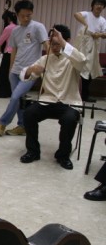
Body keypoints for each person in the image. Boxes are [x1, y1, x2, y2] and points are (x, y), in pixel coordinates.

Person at [18, 25, 86, 170]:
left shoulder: (72, 58)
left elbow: (82, 60)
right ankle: (33, 151)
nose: (54, 47)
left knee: (69, 119)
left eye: (57, 44)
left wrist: (62, 42)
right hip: (47, 100)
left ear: (66, 41)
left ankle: (63, 155)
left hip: (69, 101)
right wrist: (31, 70)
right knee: (29, 113)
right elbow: (24, 75)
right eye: (52, 44)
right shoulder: (45, 59)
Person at [0, 0, 49, 137]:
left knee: (15, 97)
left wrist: (47, 66)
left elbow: (47, 46)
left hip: (30, 72)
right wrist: (10, 69)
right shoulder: (15, 31)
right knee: (19, 99)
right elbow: (14, 50)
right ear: (17, 15)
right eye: (22, 16)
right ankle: (22, 126)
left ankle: (2, 123)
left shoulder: (38, 27)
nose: (26, 18)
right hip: (15, 71)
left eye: (28, 15)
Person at [73, 0, 106, 102]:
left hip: (93, 45)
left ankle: (84, 94)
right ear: (92, 5)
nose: (99, 6)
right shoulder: (87, 14)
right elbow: (76, 14)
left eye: (101, 5)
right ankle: (79, 94)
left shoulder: (102, 20)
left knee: (90, 70)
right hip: (82, 44)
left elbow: (105, 34)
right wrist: (85, 24)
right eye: (97, 4)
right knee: (78, 67)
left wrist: (99, 34)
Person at [0, 10, 18, 98]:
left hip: (9, 52)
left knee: (3, 73)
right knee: (13, 73)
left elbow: (0, 41)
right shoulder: (18, 27)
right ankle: (11, 91)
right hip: (17, 53)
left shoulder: (8, 28)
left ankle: (2, 92)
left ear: (8, 19)